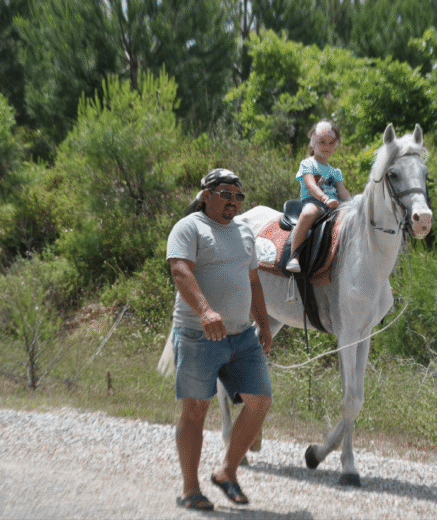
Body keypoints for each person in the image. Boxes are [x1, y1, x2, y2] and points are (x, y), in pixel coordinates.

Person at [166, 168, 273, 510]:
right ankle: (190, 489)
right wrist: (205, 311)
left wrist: (264, 324)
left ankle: (226, 472)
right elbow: (180, 270)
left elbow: (253, 280)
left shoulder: (244, 231)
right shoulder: (189, 227)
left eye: (238, 196)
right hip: (199, 335)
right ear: (207, 195)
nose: (233, 201)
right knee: (196, 410)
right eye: (225, 194)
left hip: (242, 335)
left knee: (259, 401)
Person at [285, 120, 352, 273]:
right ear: (313, 142)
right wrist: (324, 199)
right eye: (322, 142)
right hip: (315, 202)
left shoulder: (336, 172)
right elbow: (311, 185)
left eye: (331, 143)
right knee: (308, 213)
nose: (327, 147)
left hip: (334, 205)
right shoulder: (307, 164)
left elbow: (342, 191)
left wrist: (353, 204)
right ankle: (294, 256)